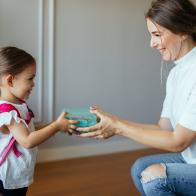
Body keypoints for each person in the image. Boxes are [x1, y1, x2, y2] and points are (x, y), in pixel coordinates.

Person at [76, 0, 196, 195]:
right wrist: (114, 124)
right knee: (140, 168)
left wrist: (118, 126)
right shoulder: (176, 73)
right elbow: (164, 128)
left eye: (157, 35)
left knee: (154, 177)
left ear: (183, 31)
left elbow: (178, 142)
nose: (152, 43)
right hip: (191, 159)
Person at [0, 46, 77, 196]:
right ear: (10, 80)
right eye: (30, 78)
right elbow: (28, 140)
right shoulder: (8, 113)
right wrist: (55, 126)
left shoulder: (16, 106)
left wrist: (57, 125)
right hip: (10, 175)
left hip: (14, 171)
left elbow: (30, 130)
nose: (33, 84)